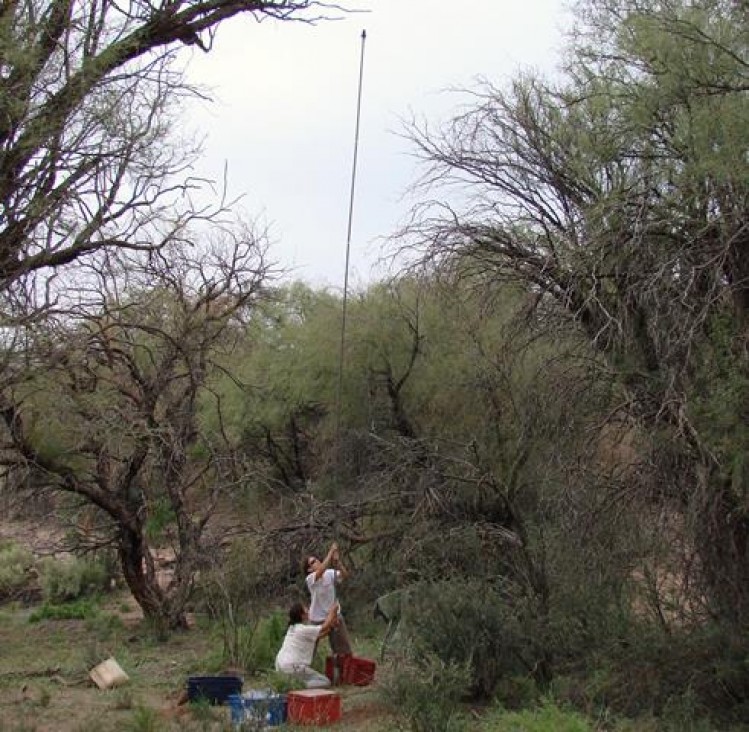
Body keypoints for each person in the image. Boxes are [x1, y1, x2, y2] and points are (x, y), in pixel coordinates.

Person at [304, 541, 353, 677]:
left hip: (334, 616)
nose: (317, 561)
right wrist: (331, 551)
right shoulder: (310, 579)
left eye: (316, 559)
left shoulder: (330, 573)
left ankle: (344, 676)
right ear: (309, 569)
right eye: (313, 562)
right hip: (316, 619)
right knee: (309, 650)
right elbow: (320, 571)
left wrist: (338, 563)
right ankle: (302, 673)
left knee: (343, 649)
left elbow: (344, 575)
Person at [275, 600, 340, 688]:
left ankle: (291, 683)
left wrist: (331, 626)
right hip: (293, 667)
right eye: (305, 609)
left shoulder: (293, 628)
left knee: (307, 677)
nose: (308, 610)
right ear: (302, 615)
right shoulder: (302, 629)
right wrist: (333, 610)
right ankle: (297, 686)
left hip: (280, 666)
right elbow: (324, 626)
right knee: (325, 682)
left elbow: (320, 635)